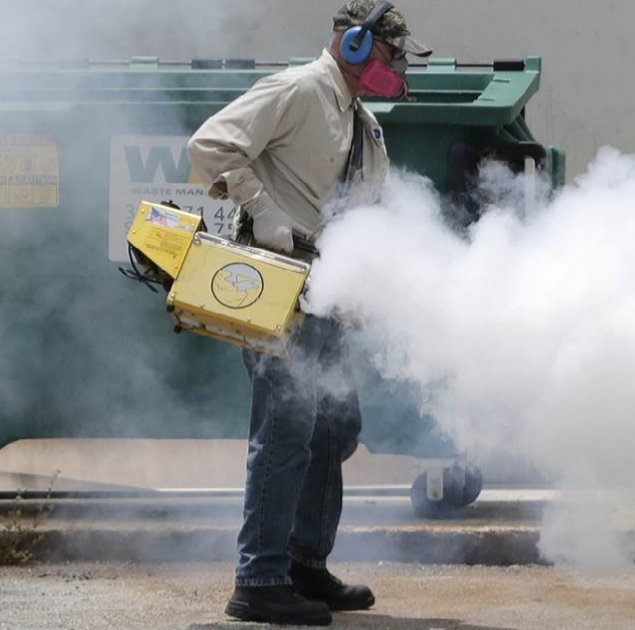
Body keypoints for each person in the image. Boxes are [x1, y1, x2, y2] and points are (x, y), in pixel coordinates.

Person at [186, 1, 432, 625]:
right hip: (281, 288)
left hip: (331, 294)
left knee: (334, 428)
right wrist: (263, 211)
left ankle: (303, 564)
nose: (392, 68)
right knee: (287, 430)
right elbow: (212, 145)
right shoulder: (297, 89)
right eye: (385, 56)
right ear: (352, 45)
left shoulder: (363, 123)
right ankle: (258, 579)